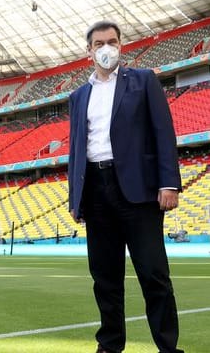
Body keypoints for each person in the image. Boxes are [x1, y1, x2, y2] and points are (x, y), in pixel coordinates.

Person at [68, 20, 183, 353]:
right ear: (88, 50)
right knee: (105, 279)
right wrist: (75, 198)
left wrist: (169, 183)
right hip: (95, 190)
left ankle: (168, 347)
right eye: (100, 43)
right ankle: (109, 345)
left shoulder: (143, 81)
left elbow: (163, 132)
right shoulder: (78, 96)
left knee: (154, 275)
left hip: (138, 190)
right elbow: (76, 147)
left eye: (113, 42)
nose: (107, 48)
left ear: (121, 45)